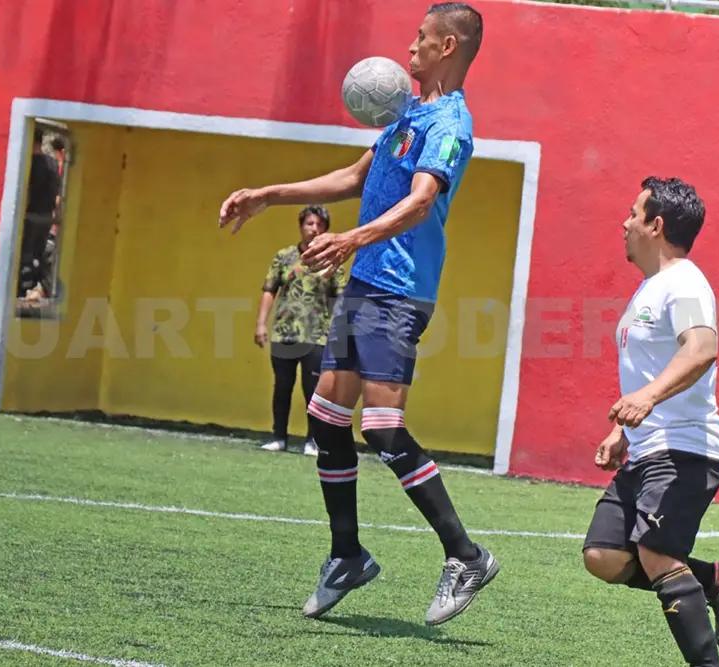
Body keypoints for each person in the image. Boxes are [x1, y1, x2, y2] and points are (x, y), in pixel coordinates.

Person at [219, 2, 496, 627]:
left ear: (448, 47)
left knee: (382, 426)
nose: (410, 47)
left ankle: (466, 555)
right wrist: (267, 194)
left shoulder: (451, 123)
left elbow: (421, 202)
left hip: (398, 291)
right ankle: (347, 555)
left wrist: (351, 239)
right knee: (325, 416)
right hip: (366, 285)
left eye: (421, 38)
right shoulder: (408, 115)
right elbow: (352, 178)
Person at [582, 177, 719, 667]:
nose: (624, 222)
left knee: (656, 554)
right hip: (647, 447)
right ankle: (718, 579)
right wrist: (623, 429)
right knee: (604, 556)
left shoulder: (687, 283)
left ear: (656, 225)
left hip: (686, 449)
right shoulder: (650, 288)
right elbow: (650, 370)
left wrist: (647, 398)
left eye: (633, 213)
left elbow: (702, 349)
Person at [256, 205, 346, 457]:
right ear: (301, 226)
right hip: (284, 332)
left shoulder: (332, 260)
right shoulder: (284, 257)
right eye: (309, 224)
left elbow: (340, 299)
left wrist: (341, 332)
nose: (314, 229)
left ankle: (312, 441)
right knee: (282, 386)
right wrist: (261, 323)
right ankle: (279, 437)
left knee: (314, 389)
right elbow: (269, 289)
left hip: (317, 335)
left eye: (319, 225)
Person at [17, 128, 61, 299]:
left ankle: (22, 291)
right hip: (46, 218)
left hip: (29, 217)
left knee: (25, 257)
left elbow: (27, 193)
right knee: (38, 255)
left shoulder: (30, 163)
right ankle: (35, 287)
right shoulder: (52, 163)